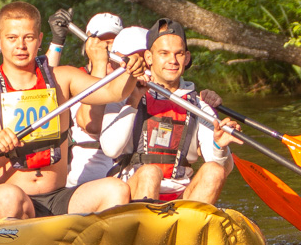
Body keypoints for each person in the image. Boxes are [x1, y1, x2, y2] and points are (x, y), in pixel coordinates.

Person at [0, 2, 140, 222]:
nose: (20, 46)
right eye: (12, 38)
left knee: (116, 190)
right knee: (8, 197)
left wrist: (132, 73)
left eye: (28, 38)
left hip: (57, 197)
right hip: (8, 196)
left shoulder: (62, 78)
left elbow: (112, 92)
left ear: (40, 39)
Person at [98, 19, 239, 204]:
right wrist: (133, 101)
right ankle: (146, 228)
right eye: (164, 53)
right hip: (133, 195)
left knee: (214, 170)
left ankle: (189, 226)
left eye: (178, 54)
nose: (172, 61)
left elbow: (223, 169)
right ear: (149, 57)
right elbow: (110, 149)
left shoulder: (199, 106)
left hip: (181, 198)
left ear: (187, 58)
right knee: (150, 172)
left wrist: (220, 147)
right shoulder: (123, 96)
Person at [57, 12, 124, 186]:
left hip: (124, 177)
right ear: (89, 46)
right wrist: (100, 65)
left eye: (113, 43)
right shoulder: (73, 79)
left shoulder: (130, 81)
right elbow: (90, 124)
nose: (107, 50)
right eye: (102, 43)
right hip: (82, 181)